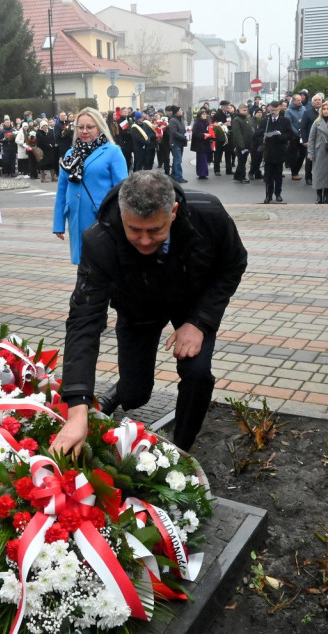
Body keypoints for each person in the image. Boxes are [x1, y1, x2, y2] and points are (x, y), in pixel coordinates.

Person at [49, 170, 247, 455]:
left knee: (198, 372)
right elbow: (84, 319)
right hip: (137, 306)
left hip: (191, 303)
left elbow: (233, 264)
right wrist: (77, 405)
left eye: (155, 230)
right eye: (134, 230)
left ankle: (181, 449)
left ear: (174, 212)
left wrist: (199, 322)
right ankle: (120, 391)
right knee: (135, 393)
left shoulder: (208, 216)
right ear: (122, 212)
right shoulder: (99, 240)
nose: (144, 241)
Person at [52, 107, 127, 265]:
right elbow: (62, 190)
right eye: (80, 127)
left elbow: (122, 191)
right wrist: (58, 223)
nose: (84, 131)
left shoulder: (113, 152)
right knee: (82, 265)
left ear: (99, 127)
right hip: (76, 218)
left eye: (90, 127)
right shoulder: (70, 154)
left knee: (101, 264)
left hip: (101, 219)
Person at [307, 100, 328, 204]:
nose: (326, 111)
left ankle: (326, 196)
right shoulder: (317, 122)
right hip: (319, 152)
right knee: (318, 174)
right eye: (324, 109)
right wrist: (310, 153)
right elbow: (311, 138)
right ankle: (318, 196)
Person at [259, 101, 293, 204]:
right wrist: (264, 136)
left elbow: (289, 135)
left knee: (278, 174)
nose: (274, 112)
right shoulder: (266, 121)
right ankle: (269, 194)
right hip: (268, 150)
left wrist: (280, 136)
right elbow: (260, 133)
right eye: (272, 110)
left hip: (279, 150)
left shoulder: (285, 121)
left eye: (276, 110)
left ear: (280, 109)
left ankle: (278, 194)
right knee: (268, 175)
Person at [300, 93, 325, 187]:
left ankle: (319, 177)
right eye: (316, 100)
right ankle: (308, 177)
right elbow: (303, 127)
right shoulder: (307, 113)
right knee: (310, 159)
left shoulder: (325, 112)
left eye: (319, 100)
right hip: (311, 140)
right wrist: (305, 140)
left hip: (322, 140)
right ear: (312, 102)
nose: (318, 101)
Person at [285, 94, 306, 182]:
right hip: (294, 136)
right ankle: (294, 173)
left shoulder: (303, 108)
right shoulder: (288, 111)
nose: (300, 102)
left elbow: (305, 120)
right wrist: (298, 133)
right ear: (293, 101)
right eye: (298, 100)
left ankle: (297, 170)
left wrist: (304, 132)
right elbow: (289, 124)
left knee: (302, 154)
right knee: (294, 155)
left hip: (303, 135)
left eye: (301, 100)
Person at [231, 104, 254, 183]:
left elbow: (249, 131)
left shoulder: (246, 119)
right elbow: (237, 134)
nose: (245, 112)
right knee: (241, 161)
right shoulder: (236, 120)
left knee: (243, 161)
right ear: (239, 110)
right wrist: (241, 146)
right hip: (241, 145)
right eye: (243, 110)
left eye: (246, 110)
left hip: (247, 144)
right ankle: (242, 177)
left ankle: (237, 175)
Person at [167, 106, 187, 183]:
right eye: (180, 110)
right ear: (176, 112)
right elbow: (174, 132)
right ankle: (179, 176)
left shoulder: (181, 119)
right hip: (175, 143)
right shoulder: (172, 120)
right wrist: (183, 137)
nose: (182, 111)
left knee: (177, 159)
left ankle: (174, 175)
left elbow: (183, 129)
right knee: (178, 160)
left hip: (181, 142)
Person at [190, 109, 211, 180]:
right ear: (200, 115)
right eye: (203, 114)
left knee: (205, 159)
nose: (205, 115)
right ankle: (201, 173)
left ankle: (204, 173)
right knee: (201, 159)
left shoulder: (207, 122)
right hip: (200, 144)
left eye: (205, 114)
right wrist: (203, 134)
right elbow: (195, 134)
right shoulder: (197, 123)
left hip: (205, 143)